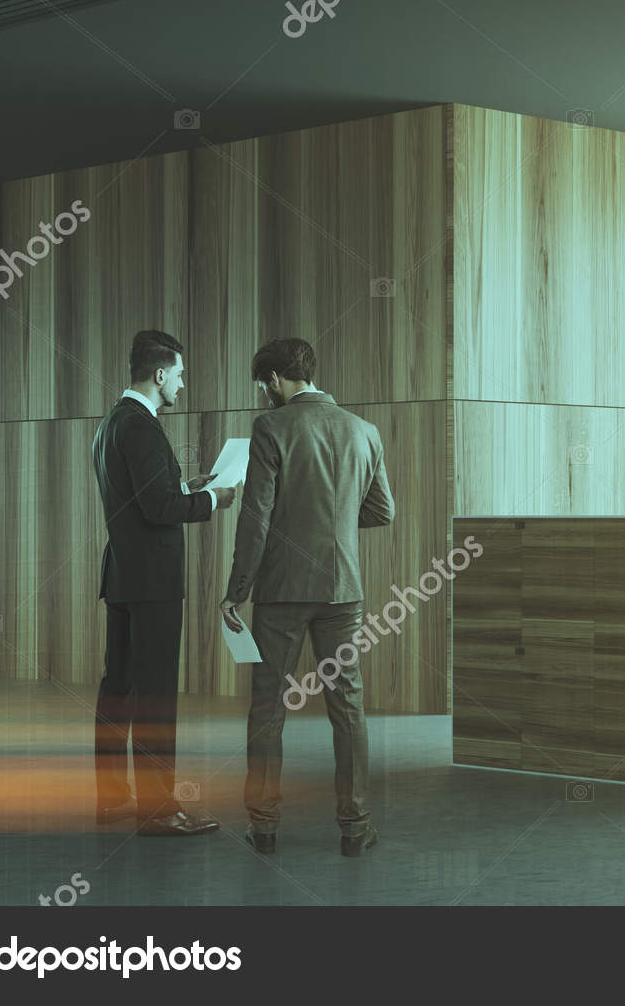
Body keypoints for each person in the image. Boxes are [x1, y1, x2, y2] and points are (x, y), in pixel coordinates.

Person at [220, 338, 394, 856]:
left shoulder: (271, 428)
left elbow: (255, 520)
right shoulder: (364, 431)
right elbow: (382, 510)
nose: (261, 394)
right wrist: (333, 522)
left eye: (261, 385)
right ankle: (355, 826)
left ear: (274, 380)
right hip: (343, 590)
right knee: (348, 705)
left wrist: (236, 592)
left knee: (268, 707)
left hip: (281, 592)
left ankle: (266, 826)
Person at [92, 329, 235, 835]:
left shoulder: (111, 423)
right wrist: (213, 501)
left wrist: (183, 486)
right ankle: (157, 811)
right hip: (153, 583)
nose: (181, 381)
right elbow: (158, 510)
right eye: (178, 373)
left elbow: (142, 497)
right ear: (159, 374)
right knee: (154, 697)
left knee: (118, 690)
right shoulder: (145, 427)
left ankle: (111, 799)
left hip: (123, 577)